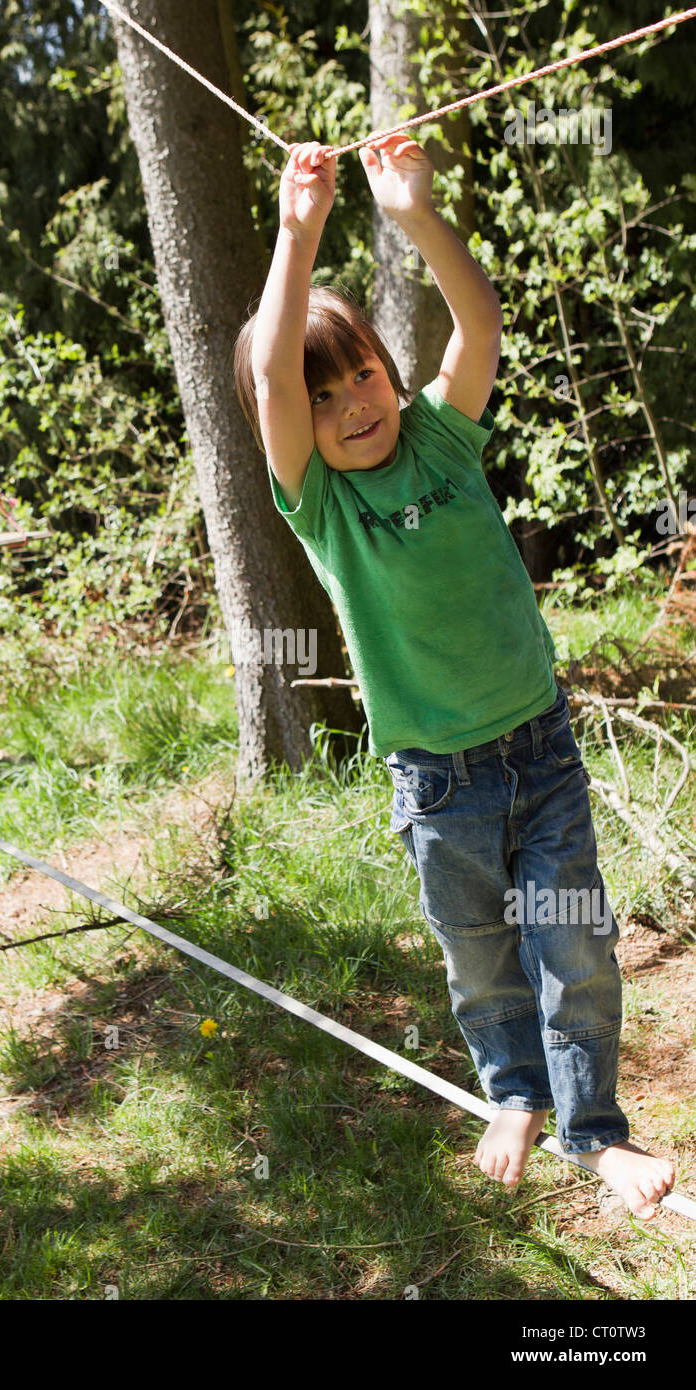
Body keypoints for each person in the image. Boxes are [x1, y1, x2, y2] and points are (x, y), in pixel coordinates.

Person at [232, 135, 676, 1219]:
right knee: (480, 959)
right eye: (321, 395)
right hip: (437, 785)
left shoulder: (441, 439)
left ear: (389, 369)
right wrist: (296, 234)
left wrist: (413, 213)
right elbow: (264, 374)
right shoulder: (322, 509)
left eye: (362, 375)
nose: (349, 404)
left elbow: (478, 322)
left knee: (573, 944)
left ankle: (596, 1129)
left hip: (539, 746)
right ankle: (513, 1094)